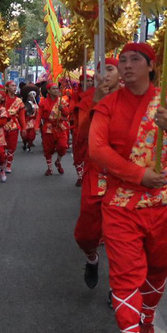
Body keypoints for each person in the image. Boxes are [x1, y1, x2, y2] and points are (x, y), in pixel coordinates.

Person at [88, 42, 167, 333]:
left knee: (159, 270)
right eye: (122, 60)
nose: (126, 65)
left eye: (135, 59)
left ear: (152, 67)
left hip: (165, 205)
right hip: (121, 204)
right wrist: (138, 175)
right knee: (125, 277)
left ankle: (147, 320)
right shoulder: (107, 106)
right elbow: (97, 150)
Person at [75, 57, 120, 287]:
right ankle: (92, 259)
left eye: (111, 69)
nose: (105, 75)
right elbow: (82, 136)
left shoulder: (130, 100)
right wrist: (96, 102)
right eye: (101, 70)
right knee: (85, 234)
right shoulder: (87, 99)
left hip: (124, 176)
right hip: (96, 173)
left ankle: (119, 287)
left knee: (121, 237)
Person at [38, 82, 70, 175]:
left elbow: (67, 113)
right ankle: (49, 168)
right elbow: (39, 115)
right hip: (48, 127)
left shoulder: (62, 101)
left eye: (57, 88)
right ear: (48, 90)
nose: (56, 90)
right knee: (48, 149)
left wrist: (62, 109)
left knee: (63, 146)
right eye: (53, 89)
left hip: (60, 127)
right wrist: (36, 127)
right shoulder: (43, 102)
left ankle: (58, 162)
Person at [1, 81, 23, 176]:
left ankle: (8, 165)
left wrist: (24, 127)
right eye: (12, 86)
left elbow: (22, 116)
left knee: (12, 147)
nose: (14, 87)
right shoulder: (1, 99)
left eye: (15, 86)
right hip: (1, 125)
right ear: (7, 87)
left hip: (13, 125)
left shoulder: (19, 101)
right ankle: (2, 162)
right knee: (1, 147)